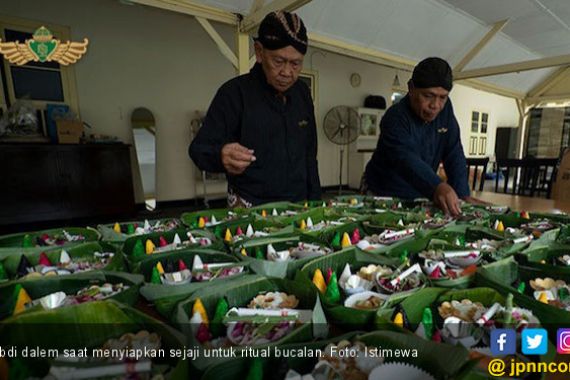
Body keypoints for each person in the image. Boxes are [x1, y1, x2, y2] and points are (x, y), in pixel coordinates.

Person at [189, 11, 321, 208]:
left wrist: (315, 204)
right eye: (278, 61)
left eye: (295, 63)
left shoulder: (302, 93)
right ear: (259, 52)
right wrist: (220, 154)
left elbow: (310, 155)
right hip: (250, 208)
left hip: (297, 206)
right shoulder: (234, 94)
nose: (287, 72)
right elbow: (199, 149)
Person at [363, 57, 481, 215]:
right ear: (411, 88)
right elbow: (405, 158)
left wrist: (462, 193)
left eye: (442, 97)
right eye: (428, 96)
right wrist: (437, 186)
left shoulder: (445, 110)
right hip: (384, 192)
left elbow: (454, 151)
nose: (435, 105)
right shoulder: (395, 118)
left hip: (422, 193)